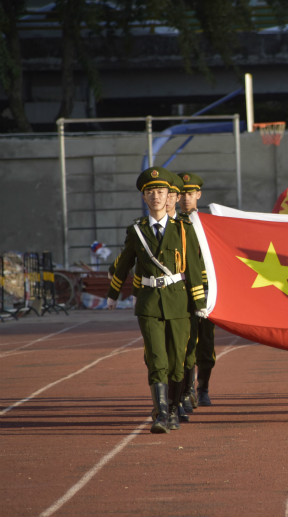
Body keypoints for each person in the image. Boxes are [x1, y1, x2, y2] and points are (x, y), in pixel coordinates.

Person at [106, 167, 208, 434]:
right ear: (144, 197)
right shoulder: (137, 231)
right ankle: (160, 413)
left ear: (168, 196)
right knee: (156, 360)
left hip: (179, 302)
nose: (156, 196)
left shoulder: (184, 229)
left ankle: (173, 408)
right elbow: (124, 263)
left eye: (160, 192)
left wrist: (199, 303)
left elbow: (194, 268)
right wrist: (113, 294)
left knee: (177, 363)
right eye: (150, 192)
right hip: (149, 302)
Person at [177, 172, 218, 408]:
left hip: (204, 291)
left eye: (190, 193)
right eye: (181, 194)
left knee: (206, 345)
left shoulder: (209, 225)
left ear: (198, 195)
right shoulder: (172, 224)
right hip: (180, 292)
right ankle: (186, 390)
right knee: (185, 344)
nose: (185, 198)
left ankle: (203, 388)